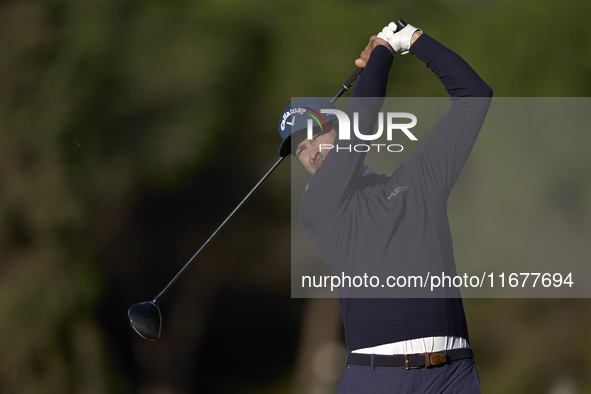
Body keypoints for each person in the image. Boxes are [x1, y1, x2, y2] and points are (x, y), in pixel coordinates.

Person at [277, 21, 492, 393]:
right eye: (300, 149)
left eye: (315, 134)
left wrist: (412, 40)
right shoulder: (318, 208)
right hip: (376, 378)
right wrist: (382, 52)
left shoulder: (419, 182)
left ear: (338, 128)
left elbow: (475, 96)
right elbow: (361, 126)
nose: (311, 151)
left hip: (453, 375)